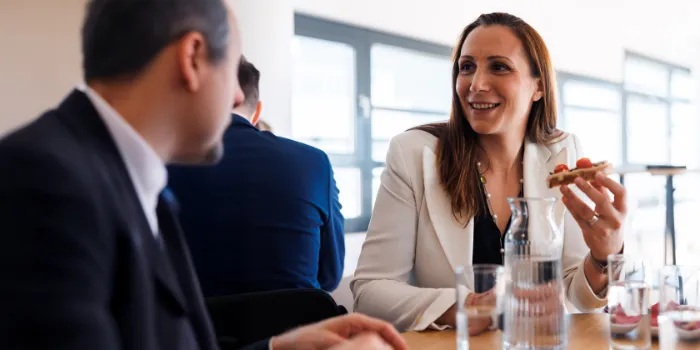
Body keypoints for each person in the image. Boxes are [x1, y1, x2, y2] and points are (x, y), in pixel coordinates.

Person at [0, 1, 404, 349]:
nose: (234, 98)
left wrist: (279, 346)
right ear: (192, 58)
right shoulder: (42, 182)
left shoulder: (136, 180)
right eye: (231, 72)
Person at [351, 12, 626, 333]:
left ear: (538, 86)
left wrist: (602, 255)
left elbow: (573, 297)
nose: (476, 84)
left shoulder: (563, 153)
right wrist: (468, 307)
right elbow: (371, 290)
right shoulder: (412, 153)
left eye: (499, 67)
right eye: (466, 67)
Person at [168, 57, 344, 296]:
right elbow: (330, 275)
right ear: (257, 110)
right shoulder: (314, 162)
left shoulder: (165, 163)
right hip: (303, 327)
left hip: (194, 331)